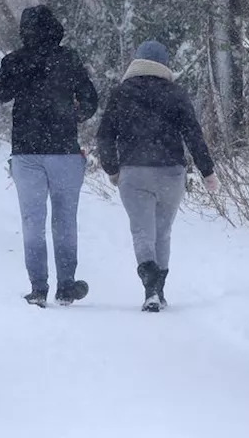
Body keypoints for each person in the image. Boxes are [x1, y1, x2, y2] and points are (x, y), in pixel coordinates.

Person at [95, 40, 218, 312]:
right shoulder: (176, 93)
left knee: (142, 232)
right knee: (163, 233)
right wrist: (207, 171)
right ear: (164, 64)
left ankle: (150, 288)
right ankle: (158, 291)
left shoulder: (121, 93)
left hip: (134, 173)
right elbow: (193, 134)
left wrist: (112, 168)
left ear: (136, 62)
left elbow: (104, 135)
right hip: (170, 173)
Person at [0, 5, 99, 307]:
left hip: (26, 151)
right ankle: (66, 285)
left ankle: (38, 288)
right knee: (65, 221)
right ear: (55, 27)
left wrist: (19, 72)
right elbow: (90, 99)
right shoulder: (68, 59)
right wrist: (74, 115)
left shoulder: (14, 60)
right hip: (63, 150)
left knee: (32, 221)